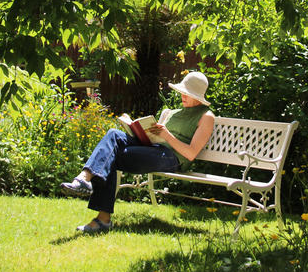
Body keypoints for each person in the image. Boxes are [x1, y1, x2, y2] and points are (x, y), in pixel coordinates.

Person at [61, 71, 215, 233]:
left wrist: (166, 135)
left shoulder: (206, 117)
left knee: (110, 156)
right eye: (182, 91)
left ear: (197, 96)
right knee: (114, 134)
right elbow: (154, 138)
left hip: (172, 158)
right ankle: (84, 178)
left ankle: (102, 219)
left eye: (187, 93)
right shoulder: (173, 113)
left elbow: (191, 153)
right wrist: (135, 128)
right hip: (154, 149)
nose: (183, 96)